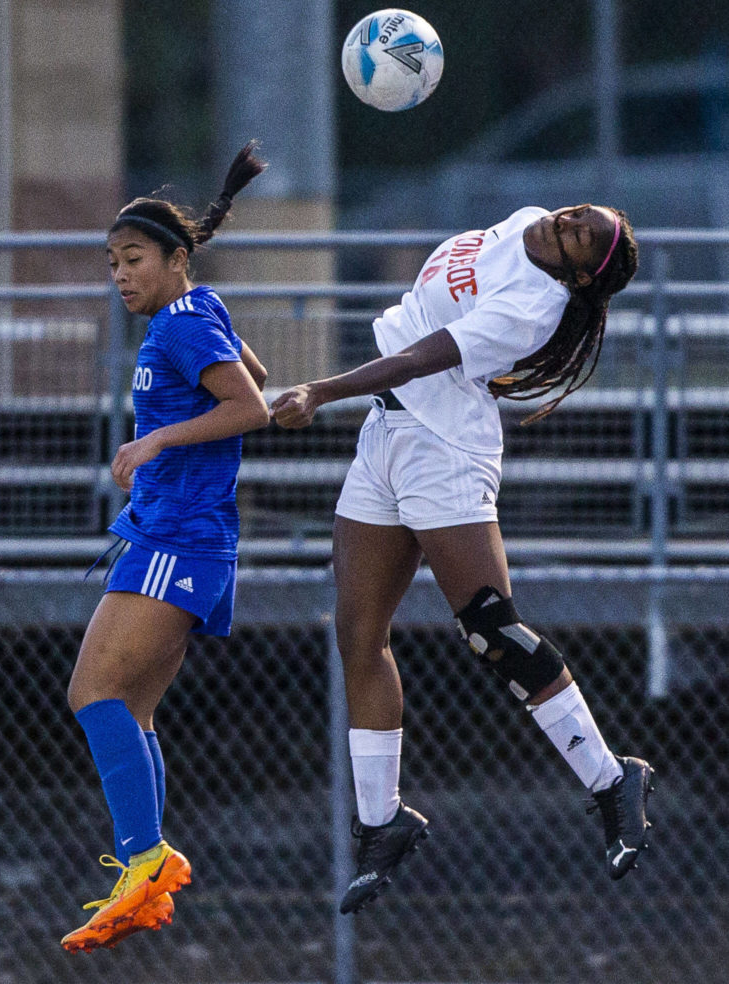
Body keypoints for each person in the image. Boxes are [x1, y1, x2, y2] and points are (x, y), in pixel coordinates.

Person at [271, 203, 655, 915]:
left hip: (443, 445)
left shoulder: (535, 306)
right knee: (357, 633)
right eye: (580, 214)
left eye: (580, 235)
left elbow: (423, 358)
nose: (568, 219)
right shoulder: (528, 218)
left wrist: (319, 391)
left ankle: (611, 780)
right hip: (386, 432)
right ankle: (382, 822)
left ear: (577, 274)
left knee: (491, 629)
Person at [60, 142, 270, 952]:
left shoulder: (181, 324)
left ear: (175, 259)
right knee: (133, 707)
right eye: (114, 262)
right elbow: (254, 377)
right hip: (188, 541)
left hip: (177, 541)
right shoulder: (196, 311)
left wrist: (155, 445)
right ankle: (146, 870)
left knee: (92, 694)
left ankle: (146, 857)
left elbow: (246, 405)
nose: (121, 275)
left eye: (135, 259)